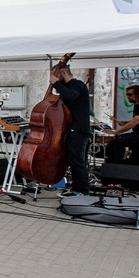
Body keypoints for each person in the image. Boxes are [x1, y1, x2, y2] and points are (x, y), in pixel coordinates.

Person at [51, 63, 91, 196]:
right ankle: (76, 189)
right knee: (72, 160)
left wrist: (56, 84)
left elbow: (70, 95)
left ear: (63, 73)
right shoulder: (68, 87)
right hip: (71, 128)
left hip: (79, 129)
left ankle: (83, 190)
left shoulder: (78, 85)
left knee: (77, 160)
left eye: (55, 76)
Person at [104, 85, 139, 164]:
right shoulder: (137, 106)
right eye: (127, 94)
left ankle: (115, 167)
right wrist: (126, 122)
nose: (128, 97)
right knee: (117, 139)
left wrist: (115, 132)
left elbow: (133, 123)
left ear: (138, 94)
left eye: (130, 94)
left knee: (115, 143)